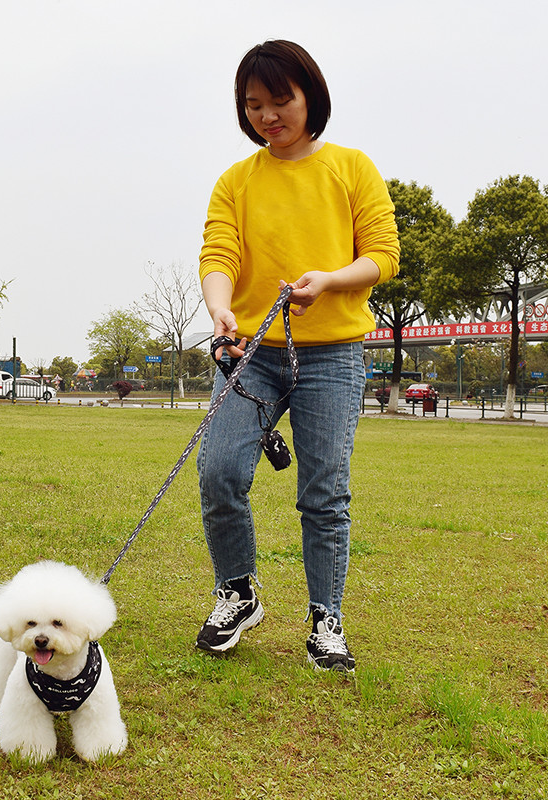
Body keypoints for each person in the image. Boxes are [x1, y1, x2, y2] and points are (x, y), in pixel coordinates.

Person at [195, 40, 400, 671]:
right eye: (253, 104)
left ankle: (325, 620)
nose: (267, 115)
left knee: (323, 491)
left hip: (333, 355)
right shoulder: (237, 180)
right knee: (219, 469)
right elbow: (219, 254)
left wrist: (330, 279)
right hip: (252, 352)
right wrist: (220, 307)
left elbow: (384, 255)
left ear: (310, 95)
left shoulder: (351, 167)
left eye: (279, 99)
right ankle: (238, 591)